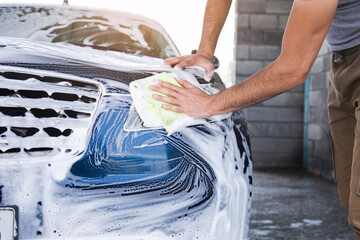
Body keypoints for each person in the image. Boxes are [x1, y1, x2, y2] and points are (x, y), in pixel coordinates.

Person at [149, 0, 360, 238]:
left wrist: (210, 104)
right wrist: (205, 52)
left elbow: (293, 68)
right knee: (350, 196)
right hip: (342, 60)